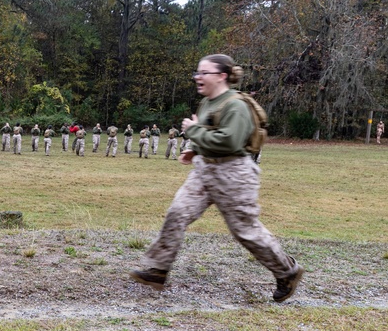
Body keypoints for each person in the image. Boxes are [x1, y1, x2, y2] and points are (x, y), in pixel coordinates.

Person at [130, 53, 304, 302]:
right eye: (197, 73)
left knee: (246, 231)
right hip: (205, 171)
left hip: (234, 174)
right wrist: (194, 148)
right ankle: (158, 270)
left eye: (204, 73)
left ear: (221, 76)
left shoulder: (236, 105)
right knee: (178, 212)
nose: (197, 77)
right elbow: (210, 135)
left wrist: (194, 131)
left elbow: (230, 141)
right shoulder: (207, 102)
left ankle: (288, 272)